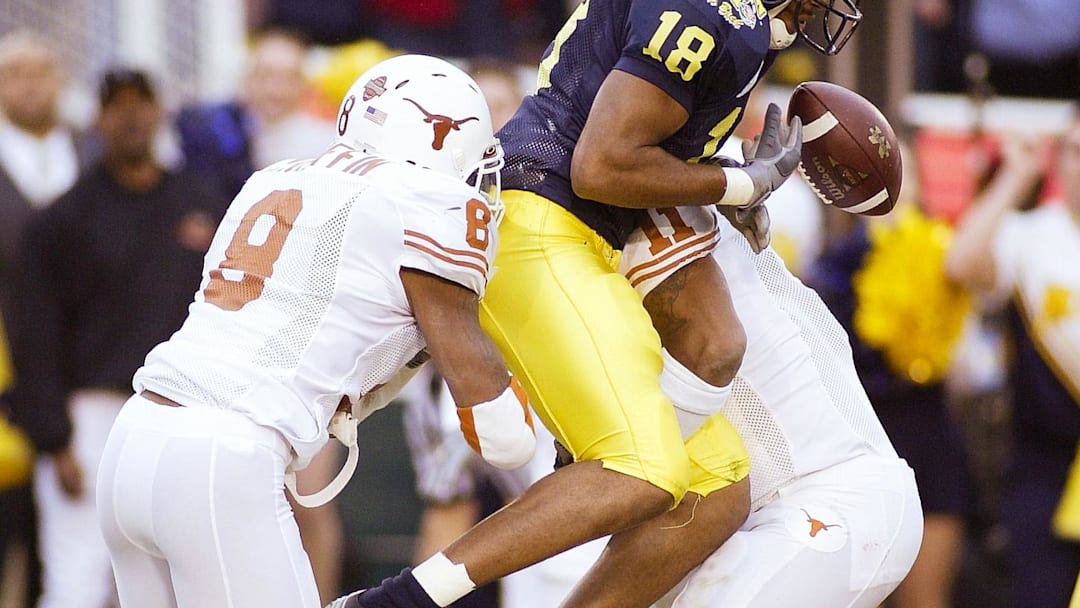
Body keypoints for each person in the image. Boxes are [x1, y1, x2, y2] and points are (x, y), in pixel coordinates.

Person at [327, 2, 865, 608]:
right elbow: (601, 164)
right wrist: (737, 182)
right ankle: (395, 602)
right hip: (541, 223)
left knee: (716, 490)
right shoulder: (707, 17)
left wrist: (717, 175)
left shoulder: (730, 23)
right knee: (644, 466)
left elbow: (633, 142)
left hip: (582, 237)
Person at [94, 54, 533, 608]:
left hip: (134, 439)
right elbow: (506, 439)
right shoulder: (427, 200)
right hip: (223, 454)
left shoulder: (273, 176)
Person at [6, 67, 228, 608]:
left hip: (182, 409)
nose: (130, 117)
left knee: (176, 569)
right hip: (91, 412)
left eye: (141, 103)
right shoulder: (62, 219)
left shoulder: (200, 205)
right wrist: (54, 436)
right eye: (117, 106)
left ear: (158, 113)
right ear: (98, 119)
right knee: (77, 570)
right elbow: (34, 332)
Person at [945, 122, 1080, 608]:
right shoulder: (1031, 235)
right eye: (1076, 151)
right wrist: (1015, 177)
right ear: (1059, 160)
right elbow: (960, 263)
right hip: (1045, 466)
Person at [0, 29, 100, 608]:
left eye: (40, 70)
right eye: (14, 72)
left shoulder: (94, 155)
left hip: (83, 367)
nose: (29, 84)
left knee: (73, 543)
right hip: (7, 365)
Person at [176, 28, 333, 201]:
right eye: (265, 76)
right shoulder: (220, 133)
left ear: (304, 84)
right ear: (247, 79)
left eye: (288, 78)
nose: (275, 90)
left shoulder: (327, 143)